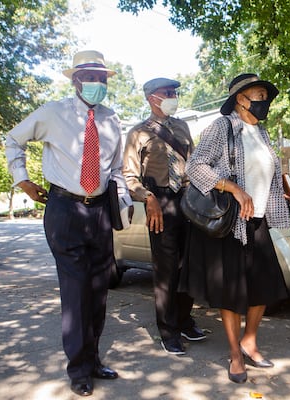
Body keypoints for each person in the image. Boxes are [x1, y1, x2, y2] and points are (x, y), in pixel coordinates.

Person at [5, 50, 132, 396]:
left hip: (100, 212)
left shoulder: (111, 118)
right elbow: (13, 139)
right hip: (64, 209)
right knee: (76, 292)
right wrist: (23, 181)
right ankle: (78, 369)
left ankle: (92, 360)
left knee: (98, 292)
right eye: (90, 77)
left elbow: (116, 170)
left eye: (102, 78)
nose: (97, 84)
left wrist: (123, 201)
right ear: (75, 79)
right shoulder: (53, 112)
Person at [179, 73, 290, 384]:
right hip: (232, 222)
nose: (264, 101)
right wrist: (233, 187)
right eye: (258, 95)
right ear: (240, 99)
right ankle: (235, 352)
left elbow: (264, 172)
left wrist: (281, 192)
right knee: (232, 293)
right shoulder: (222, 127)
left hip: (258, 219)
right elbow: (195, 166)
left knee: (264, 287)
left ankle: (250, 340)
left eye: (266, 96)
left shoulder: (263, 133)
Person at [122, 77, 205, 356]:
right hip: (160, 202)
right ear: (151, 98)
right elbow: (130, 176)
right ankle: (168, 331)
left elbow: (193, 164)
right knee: (167, 270)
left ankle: (184, 321)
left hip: (187, 199)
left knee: (188, 264)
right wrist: (148, 198)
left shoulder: (182, 127)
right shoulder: (138, 133)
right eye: (166, 93)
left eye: (174, 92)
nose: (172, 96)